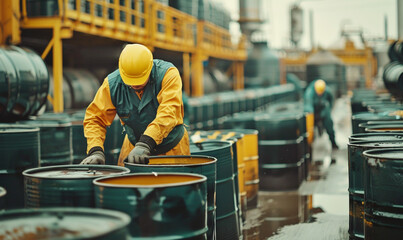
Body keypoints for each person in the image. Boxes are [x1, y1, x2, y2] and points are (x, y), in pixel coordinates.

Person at [80, 43, 190, 166]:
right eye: (130, 80)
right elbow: (95, 119)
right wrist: (95, 150)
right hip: (133, 148)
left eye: (140, 79)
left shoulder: (168, 74)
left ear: (150, 67)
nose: (135, 85)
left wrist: (146, 143)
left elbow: (169, 112)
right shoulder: (112, 84)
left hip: (172, 149)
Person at [303, 79, 338, 150]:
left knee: (329, 123)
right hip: (313, 112)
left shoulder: (327, 91)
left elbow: (331, 99)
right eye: (318, 92)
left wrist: (329, 109)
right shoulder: (309, 93)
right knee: (308, 127)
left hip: (322, 109)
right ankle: (308, 147)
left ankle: (333, 143)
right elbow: (308, 106)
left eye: (321, 92)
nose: (320, 94)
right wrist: (312, 117)